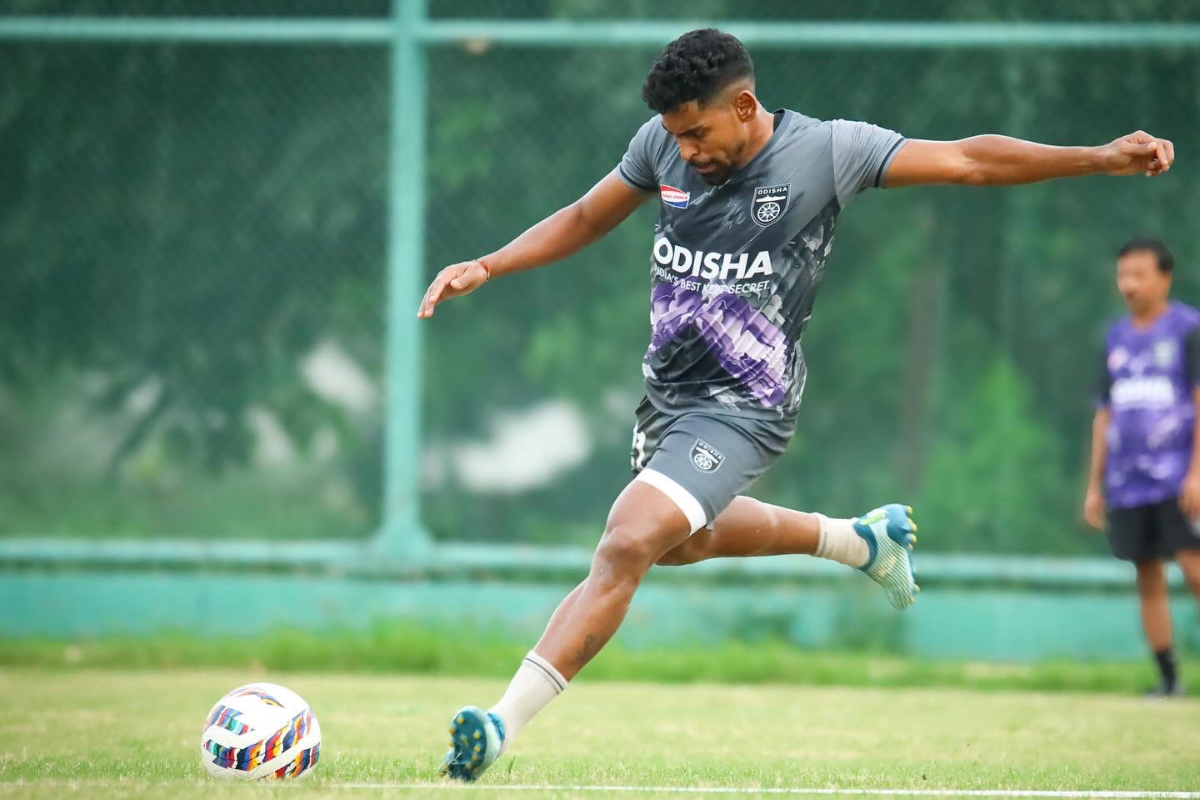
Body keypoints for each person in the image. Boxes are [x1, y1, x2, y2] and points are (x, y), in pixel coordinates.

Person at [418, 28, 1175, 780]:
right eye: (675, 135)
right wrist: (489, 263)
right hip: (668, 399)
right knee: (679, 541)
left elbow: (969, 159)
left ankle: (498, 726)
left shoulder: (827, 152)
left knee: (626, 541)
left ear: (744, 104)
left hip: (748, 402)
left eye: (696, 132)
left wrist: (1098, 156)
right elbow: (588, 215)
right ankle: (856, 541)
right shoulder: (661, 143)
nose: (683, 150)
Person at [1084, 239, 1200, 698]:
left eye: (1139, 274)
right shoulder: (1115, 337)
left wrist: (1196, 473)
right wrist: (1095, 486)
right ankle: (1168, 678)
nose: (1128, 285)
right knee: (1147, 574)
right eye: (1122, 275)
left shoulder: (1188, 330)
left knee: (1193, 569)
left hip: (1178, 479)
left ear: (1164, 278)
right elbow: (1104, 414)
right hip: (1127, 484)